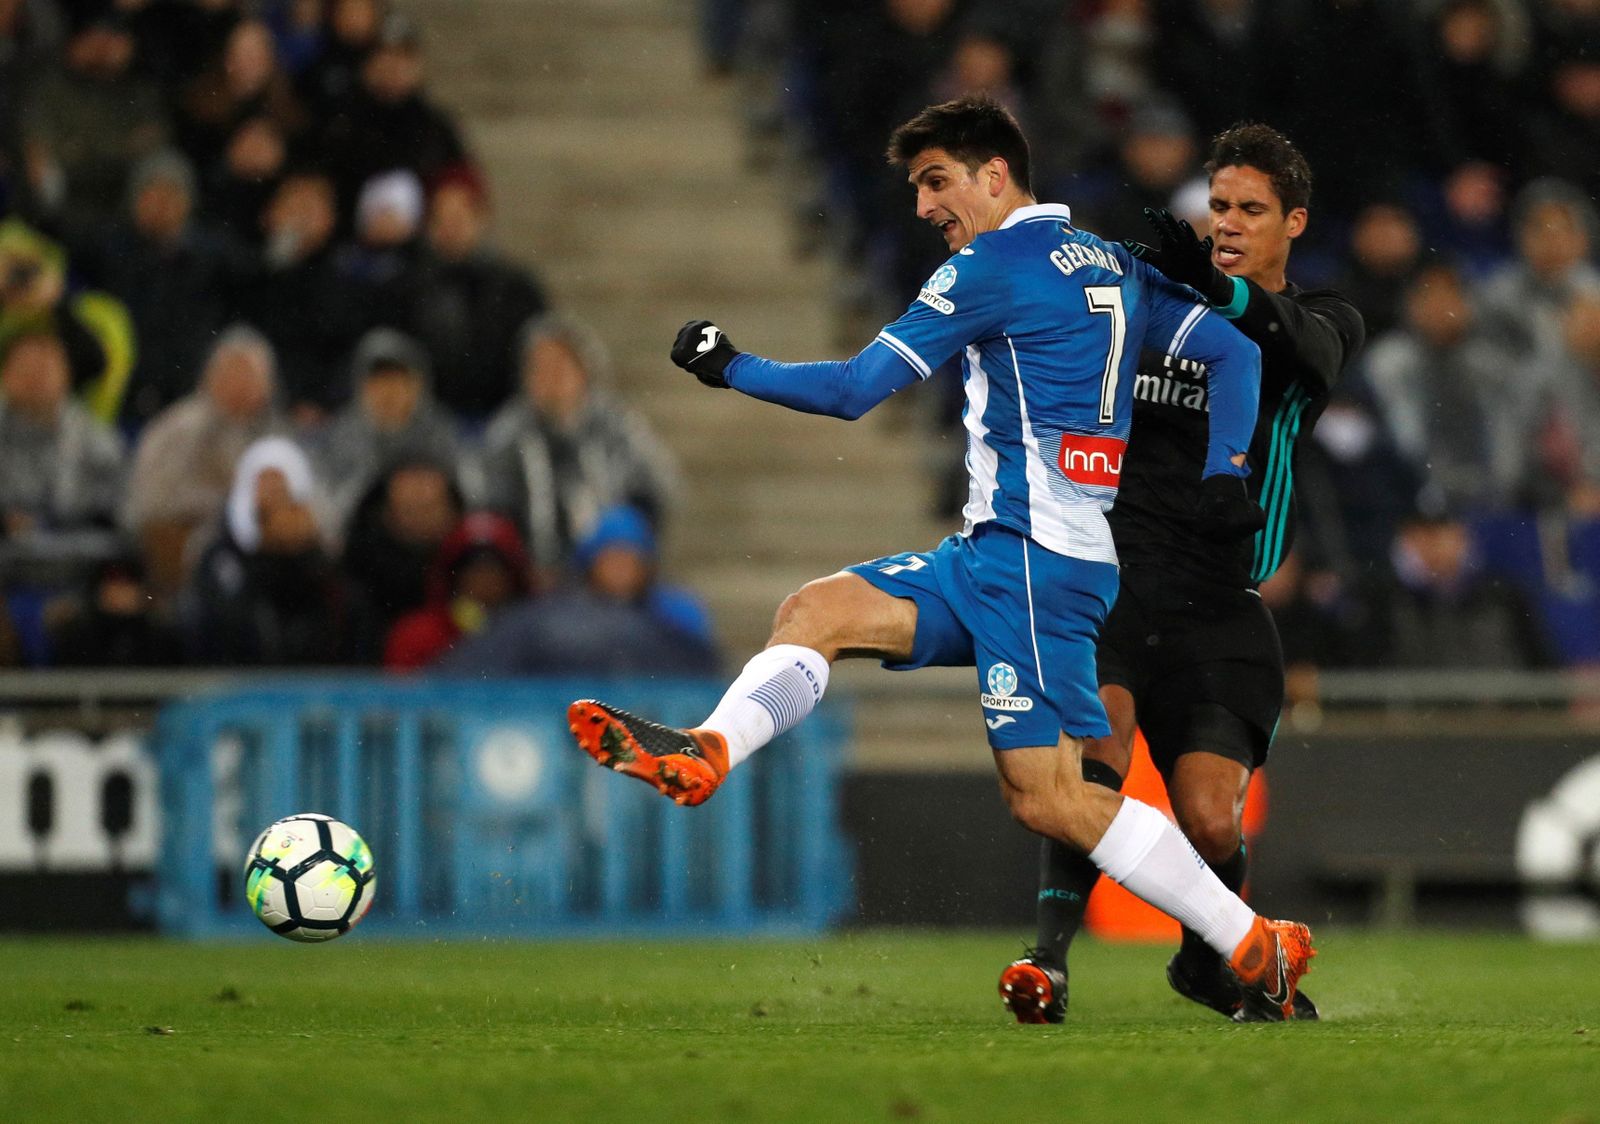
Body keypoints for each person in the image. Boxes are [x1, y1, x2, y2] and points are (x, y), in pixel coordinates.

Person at [564, 95, 1317, 1022]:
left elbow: (853, 391)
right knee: (816, 611)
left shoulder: (991, 266)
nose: (923, 207)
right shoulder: (1110, 263)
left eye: (935, 182)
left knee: (1051, 799)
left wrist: (731, 365)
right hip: (1002, 554)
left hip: (1037, 567)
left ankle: (1252, 943)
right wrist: (1225, 469)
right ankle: (710, 750)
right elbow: (1236, 355)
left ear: (994, 177)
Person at [1006, 122, 1365, 1024]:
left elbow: (1299, 347)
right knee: (1099, 754)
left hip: (1219, 603)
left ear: (1295, 222)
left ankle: (1207, 964)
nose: (1228, 223)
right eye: (1219, 206)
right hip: (1115, 580)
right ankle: (1046, 962)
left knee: (1211, 818)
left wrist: (1215, 289)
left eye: (1251, 209)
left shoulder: (1326, 322)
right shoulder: (1157, 306)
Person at [440, 504, 720, 678]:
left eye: (630, 558)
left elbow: (704, 671)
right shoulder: (551, 617)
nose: (620, 569)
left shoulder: (675, 615)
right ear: (590, 564)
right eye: (610, 558)